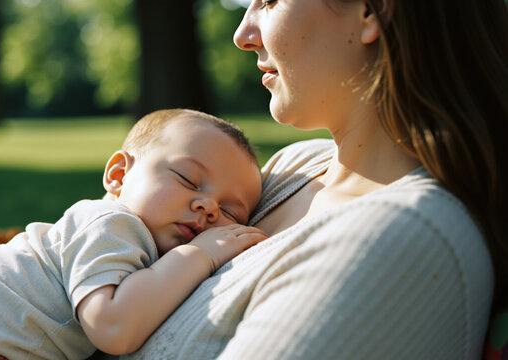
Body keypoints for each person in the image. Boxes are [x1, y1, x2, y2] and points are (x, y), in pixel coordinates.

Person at [118, 0, 508, 359]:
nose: (242, 34)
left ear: (371, 10)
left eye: (270, 1)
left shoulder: (398, 237)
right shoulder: (297, 168)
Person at [0, 109, 267, 359]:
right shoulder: (112, 223)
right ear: (119, 175)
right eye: (187, 178)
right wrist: (200, 255)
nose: (209, 207)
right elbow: (113, 326)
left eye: (230, 211)